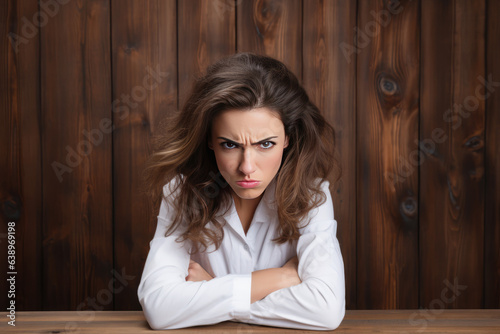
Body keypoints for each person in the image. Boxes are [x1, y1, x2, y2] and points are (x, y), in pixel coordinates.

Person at [138, 52, 345, 330]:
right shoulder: (181, 193)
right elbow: (159, 308)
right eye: (230, 145)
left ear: (288, 138)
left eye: (266, 144)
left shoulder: (312, 196)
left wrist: (214, 294)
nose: (247, 167)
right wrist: (280, 278)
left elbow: (326, 310)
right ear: (210, 141)